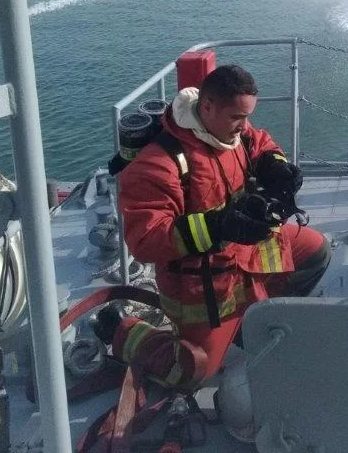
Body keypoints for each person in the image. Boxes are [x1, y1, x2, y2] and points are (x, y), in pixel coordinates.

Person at [114, 64, 331, 382]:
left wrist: (275, 164)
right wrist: (218, 227)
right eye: (237, 118)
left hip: (245, 253)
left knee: (317, 250)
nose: (244, 127)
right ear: (206, 107)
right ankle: (124, 331)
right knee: (189, 374)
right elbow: (145, 239)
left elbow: (259, 142)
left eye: (247, 117)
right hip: (204, 287)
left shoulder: (228, 129)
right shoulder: (160, 164)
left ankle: (251, 316)